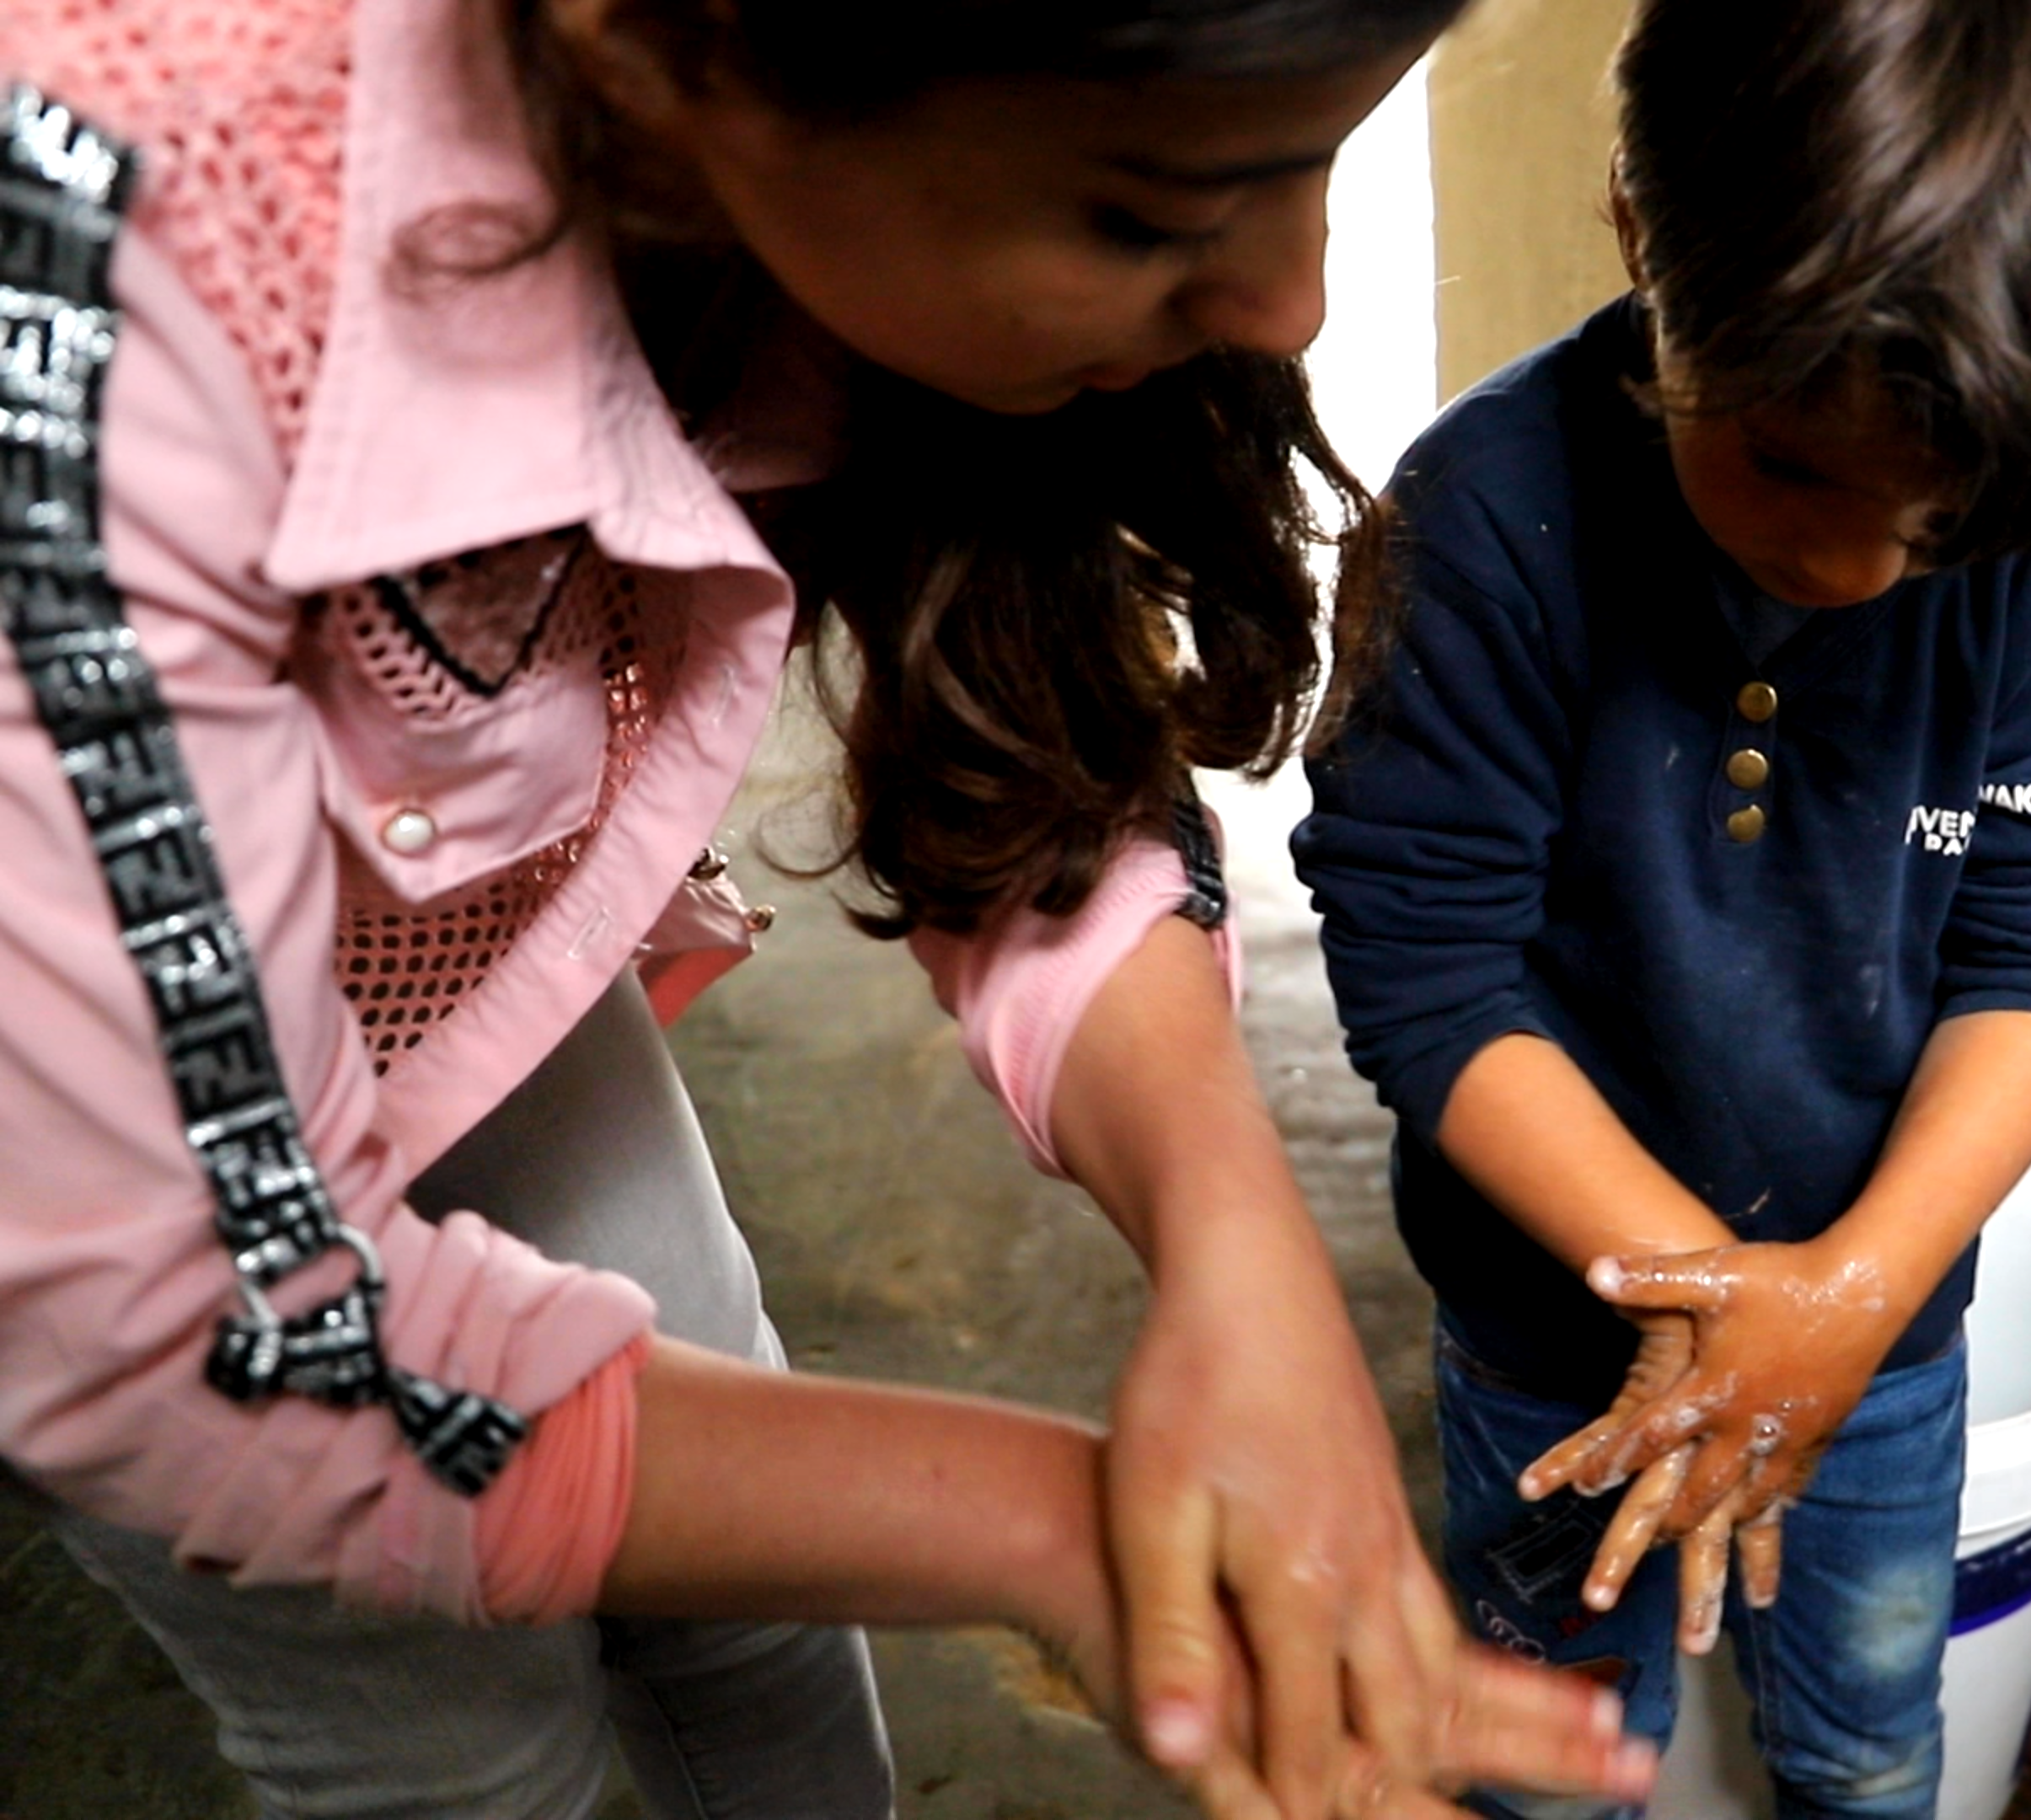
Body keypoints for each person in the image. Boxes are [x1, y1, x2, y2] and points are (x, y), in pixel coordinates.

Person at [0, 3, 1656, 1818]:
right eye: (1149, 213)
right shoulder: (96, 283)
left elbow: (1027, 740)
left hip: (468, 983)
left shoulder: (823, 183)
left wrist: (1234, 1243)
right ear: (665, 47)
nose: (1292, 308)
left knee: (758, 1587)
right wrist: (1064, 1528)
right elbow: (197, 1340)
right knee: (457, 1752)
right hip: (86, 1134)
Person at [1293, 0, 2031, 1812]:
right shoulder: (1475, 533)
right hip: (1554, 1348)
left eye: (1938, 525)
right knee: (1546, 1748)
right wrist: (1717, 1309)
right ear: (1639, 220)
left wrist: (1847, 1297)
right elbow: (1431, 975)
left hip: (1883, 1343)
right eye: (1788, 466)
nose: (1854, 566)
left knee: (1866, 1736)